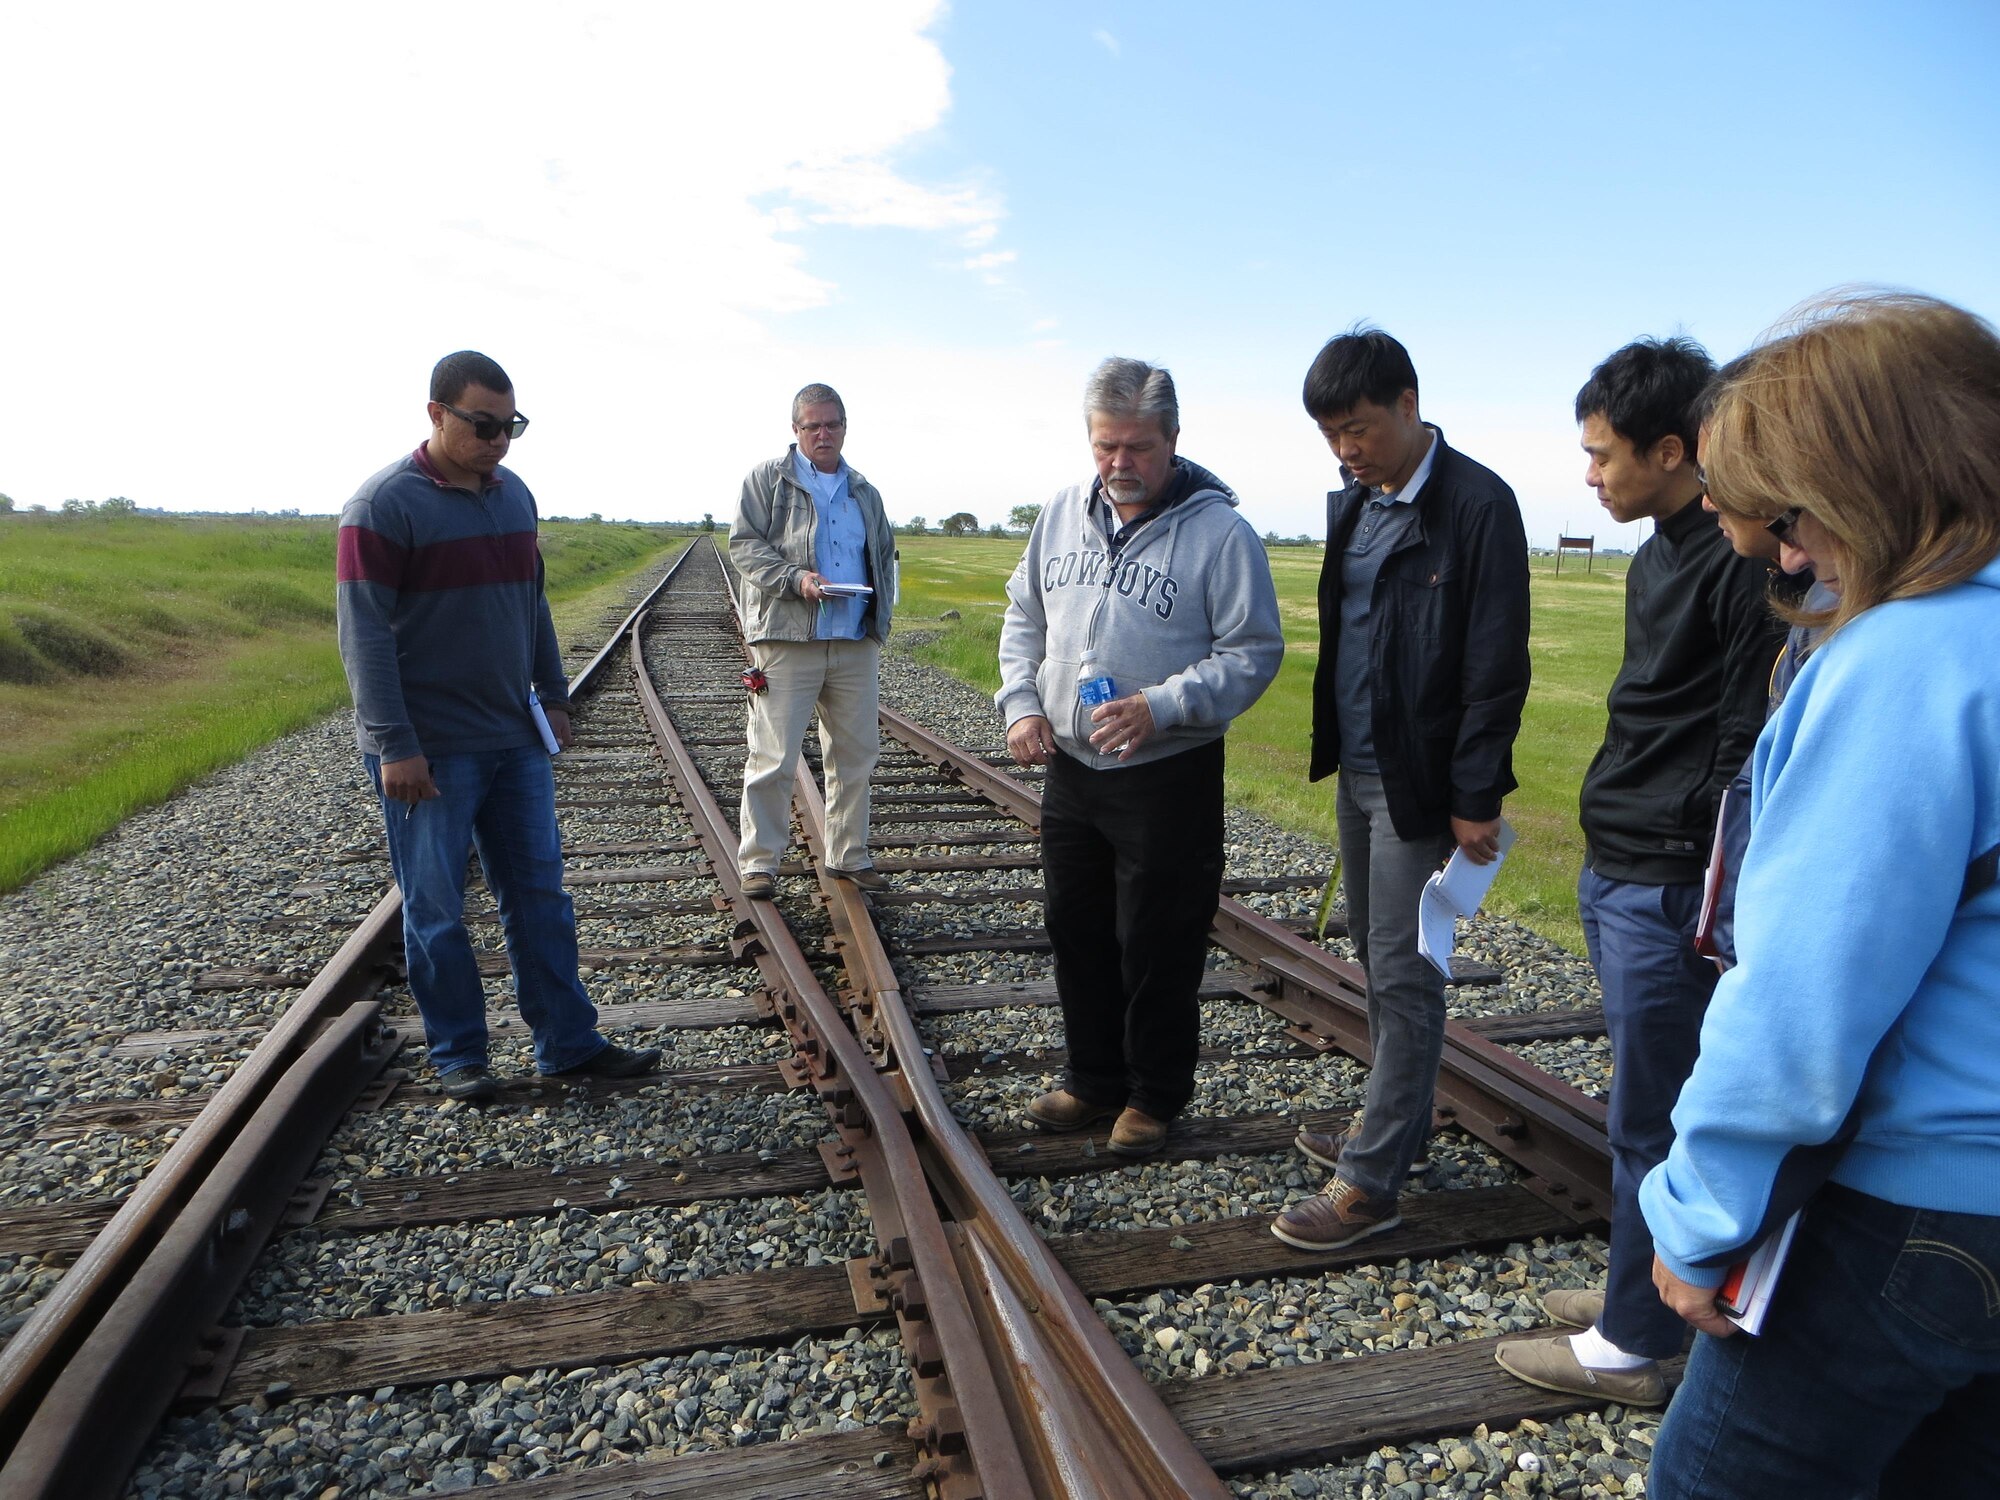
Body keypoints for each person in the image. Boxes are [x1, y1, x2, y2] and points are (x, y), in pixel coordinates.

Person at [1639, 291, 2000, 1499]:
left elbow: (1800, 1002)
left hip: (1907, 1212)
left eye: (1792, 514)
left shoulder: (1909, 661)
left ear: (1877, 480)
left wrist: (1695, 1217)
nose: (1787, 554)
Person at [1495, 337, 1785, 1404]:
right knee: (1644, 1107)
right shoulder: (1664, 546)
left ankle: (1632, 1344)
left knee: (1651, 1118)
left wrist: (1689, 870)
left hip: (1665, 879)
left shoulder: (1732, 559)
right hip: (1622, 862)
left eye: (1601, 454)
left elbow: (1734, 746)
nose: (1587, 474)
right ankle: (1642, 1285)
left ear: (1671, 450)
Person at [336, 351, 660, 1102]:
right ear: (436, 414)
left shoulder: (514, 497)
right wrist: (396, 744)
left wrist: (551, 692)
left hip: (513, 739)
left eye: (511, 426)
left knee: (541, 896)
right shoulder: (382, 506)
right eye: (483, 425)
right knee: (437, 910)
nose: (499, 441)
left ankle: (568, 1043)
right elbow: (364, 635)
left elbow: (530, 604)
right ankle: (460, 1056)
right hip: (431, 748)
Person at [1270, 329, 1531, 1252]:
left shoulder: (1477, 505)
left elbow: (1497, 665)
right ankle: (1400, 1128)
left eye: (1358, 427)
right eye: (1331, 433)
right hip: (1360, 767)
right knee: (1377, 963)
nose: (1345, 448)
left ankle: (1371, 1184)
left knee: (1406, 973)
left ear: (1409, 404)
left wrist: (1476, 793)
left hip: (1424, 788)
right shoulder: (1356, 501)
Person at [998, 357, 1282, 1158]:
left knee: (1157, 940)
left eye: (1138, 447)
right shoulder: (1058, 513)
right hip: (1074, 771)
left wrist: (1162, 706)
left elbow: (1254, 650)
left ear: (1173, 440)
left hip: (1166, 774)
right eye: (1104, 446)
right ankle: (1093, 1080)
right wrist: (1022, 703)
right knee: (1075, 926)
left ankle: (1155, 1094)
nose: (1119, 464)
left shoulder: (1221, 534)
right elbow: (1024, 617)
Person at [730, 383, 899, 899]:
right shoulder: (767, 480)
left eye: (832, 424)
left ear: (845, 427)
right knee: (774, 755)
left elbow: (884, 555)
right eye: (812, 426)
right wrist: (795, 580)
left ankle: (849, 855)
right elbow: (743, 545)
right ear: (796, 429)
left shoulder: (864, 490)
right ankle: (759, 862)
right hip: (788, 638)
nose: (823, 434)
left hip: (852, 640)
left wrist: (879, 623)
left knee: (855, 754)